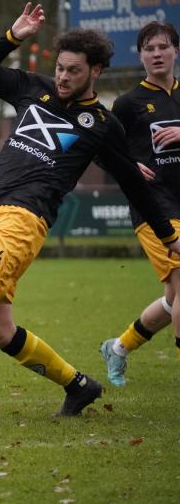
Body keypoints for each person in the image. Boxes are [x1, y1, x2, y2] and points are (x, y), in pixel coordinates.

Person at [0, 3, 180, 425]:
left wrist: (168, 237)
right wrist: (13, 36)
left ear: (96, 71)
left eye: (73, 71)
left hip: (23, 221)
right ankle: (78, 385)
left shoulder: (102, 125)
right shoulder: (34, 89)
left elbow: (136, 189)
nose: (63, 77)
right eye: (60, 68)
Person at [99, 21, 180, 386]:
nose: (157, 54)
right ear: (140, 56)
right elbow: (100, 147)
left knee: (173, 297)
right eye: (149, 49)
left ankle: (117, 347)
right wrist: (129, 165)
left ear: (176, 50)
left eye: (163, 47)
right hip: (154, 208)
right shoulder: (128, 104)